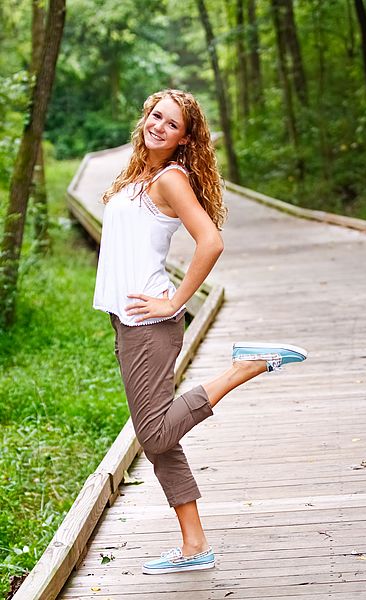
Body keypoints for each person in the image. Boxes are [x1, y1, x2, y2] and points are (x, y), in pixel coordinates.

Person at [93, 89, 308, 575]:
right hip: (128, 322)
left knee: (153, 433)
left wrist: (174, 301)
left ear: (186, 137)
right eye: (155, 116)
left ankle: (242, 368)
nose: (158, 126)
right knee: (161, 438)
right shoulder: (140, 173)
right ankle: (195, 547)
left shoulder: (170, 178)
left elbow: (210, 241)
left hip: (150, 322)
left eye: (171, 124)